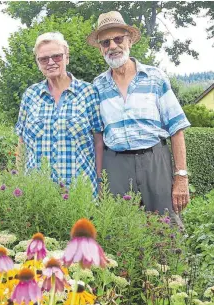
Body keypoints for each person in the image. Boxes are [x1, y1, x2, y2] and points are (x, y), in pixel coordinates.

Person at [87, 11, 191, 223]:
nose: (113, 46)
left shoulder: (155, 77)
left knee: (167, 227)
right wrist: (98, 179)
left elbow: (176, 128)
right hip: (115, 165)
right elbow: (95, 136)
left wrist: (181, 176)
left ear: (129, 41)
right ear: (100, 49)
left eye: (118, 39)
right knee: (121, 230)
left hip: (155, 161)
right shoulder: (96, 87)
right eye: (106, 42)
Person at [15, 32, 103, 195]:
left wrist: (100, 181)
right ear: (38, 63)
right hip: (37, 192)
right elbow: (22, 143)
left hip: (80, 191)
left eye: (56, 57)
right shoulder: (30, 95)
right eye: (43, 59)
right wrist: (19, 181)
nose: (50, 62)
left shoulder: (88, 92)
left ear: (67, 57)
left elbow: (99, 141)